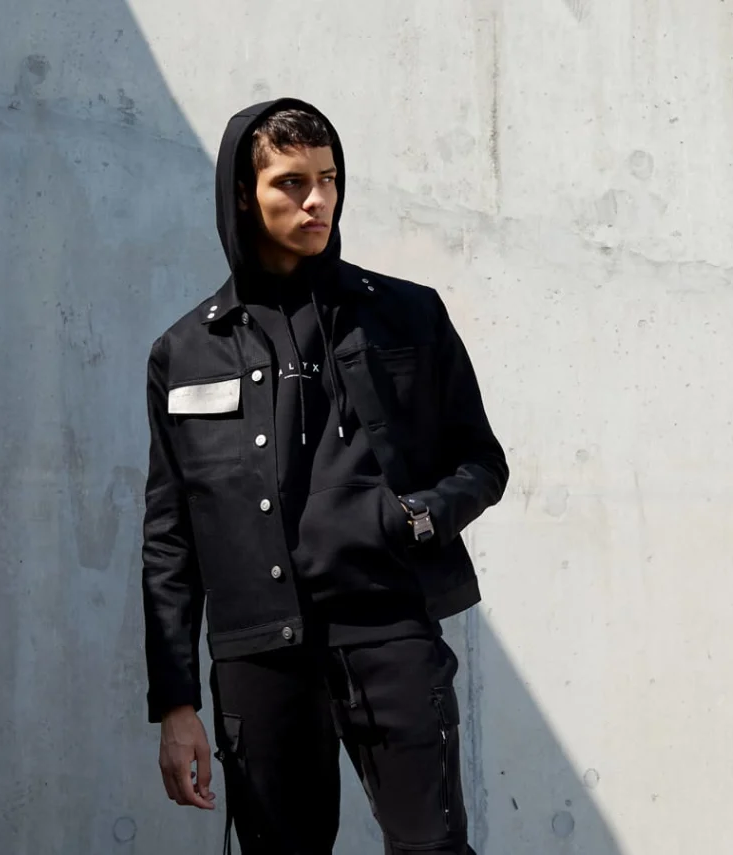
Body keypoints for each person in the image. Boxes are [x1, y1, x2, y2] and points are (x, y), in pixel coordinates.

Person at [139, 97, 508, 855]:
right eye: (291, 182)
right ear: (244, 195)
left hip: (387, 626)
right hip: (257, 652)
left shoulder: (407, 315)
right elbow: (169, 539)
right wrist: (176, 703)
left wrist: (417, 517)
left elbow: (481, 462)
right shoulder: (185, 352)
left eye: (329, 179)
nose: (318, 201)